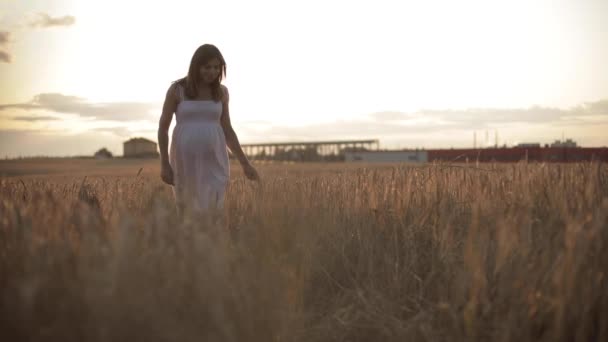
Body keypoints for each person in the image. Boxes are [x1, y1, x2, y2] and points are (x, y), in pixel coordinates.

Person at [158, 43, 259, 216]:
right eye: (207, 67)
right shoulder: (177, 90)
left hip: (215, 158)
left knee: (214, 208)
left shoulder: (222, 93)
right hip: (184, 160)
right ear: (196, 66)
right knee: (187, 211)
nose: (211, 72)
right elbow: (163, 128)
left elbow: (227, 129)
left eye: (216, 67)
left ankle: (213, 242)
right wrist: (164, 164)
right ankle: (190, 243)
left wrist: (245, 163)